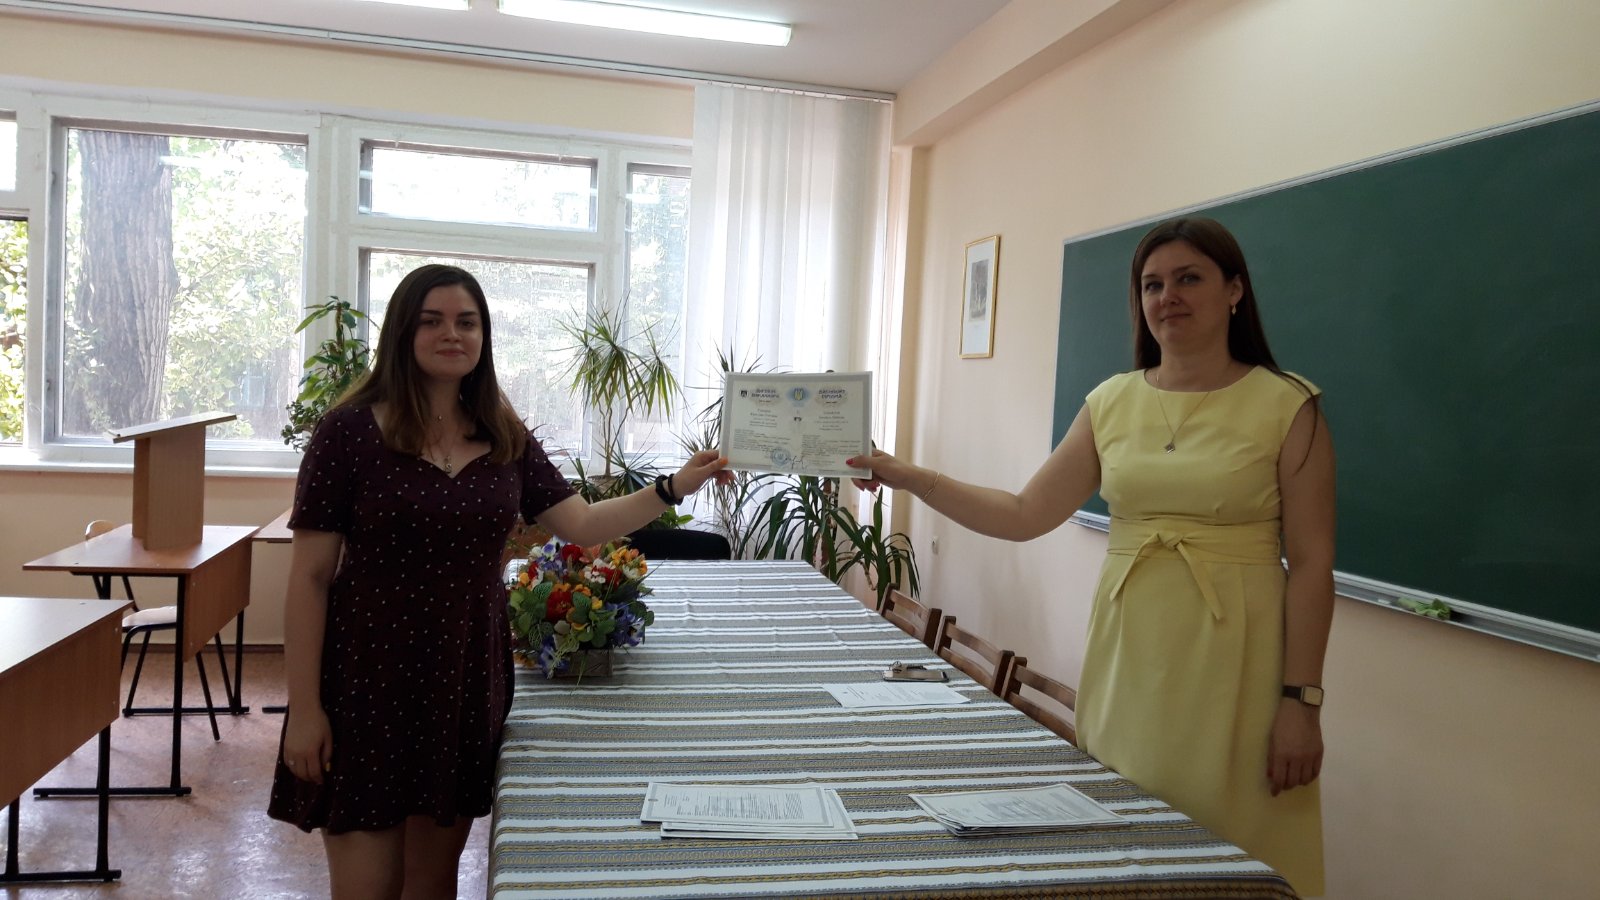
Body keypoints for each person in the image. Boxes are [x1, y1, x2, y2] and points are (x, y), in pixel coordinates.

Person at [848, 217, 1334, 895]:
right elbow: (1023, 514)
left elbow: (1312, 565)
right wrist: (909, 476)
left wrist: (1301, 703)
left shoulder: (1287, 404)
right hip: (1131, 651)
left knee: (1231, 842)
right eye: (1152, 284)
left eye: (1188, 278)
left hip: (1239, 663)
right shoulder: (1111, 402)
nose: (1168, 296)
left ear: (1234, 291)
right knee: (1128, 836)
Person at [268, 264, 728, 900]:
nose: (451, 334)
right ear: (402, 332)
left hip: (462, 679)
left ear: (483, 337)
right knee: (367, 888)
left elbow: (583, 525)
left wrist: (675, 486)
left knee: (432, 884)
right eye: (431, 321)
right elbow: (311, 579)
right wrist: (304, 711)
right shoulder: (348, 433)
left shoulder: (504, 436)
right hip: (365, 680)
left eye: (467, 322)